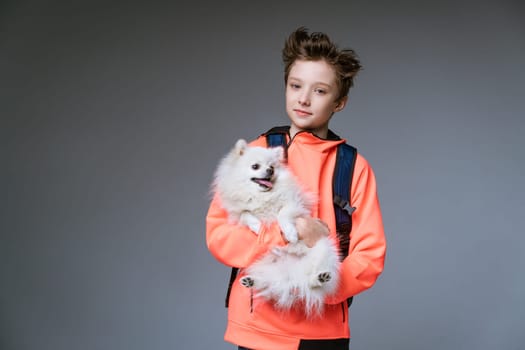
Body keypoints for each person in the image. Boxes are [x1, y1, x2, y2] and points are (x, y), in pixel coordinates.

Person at [206, 27, 386, 350]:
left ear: (339, 102)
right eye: (296, 86)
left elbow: (369, 255)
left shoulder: (354, 167)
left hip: (323, 330)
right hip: (258, 326)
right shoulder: (255, 153)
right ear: (286, 87)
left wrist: (321, 282)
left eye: (319, 91)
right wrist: (286, 233)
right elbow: (219, 233)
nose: (303, 98)